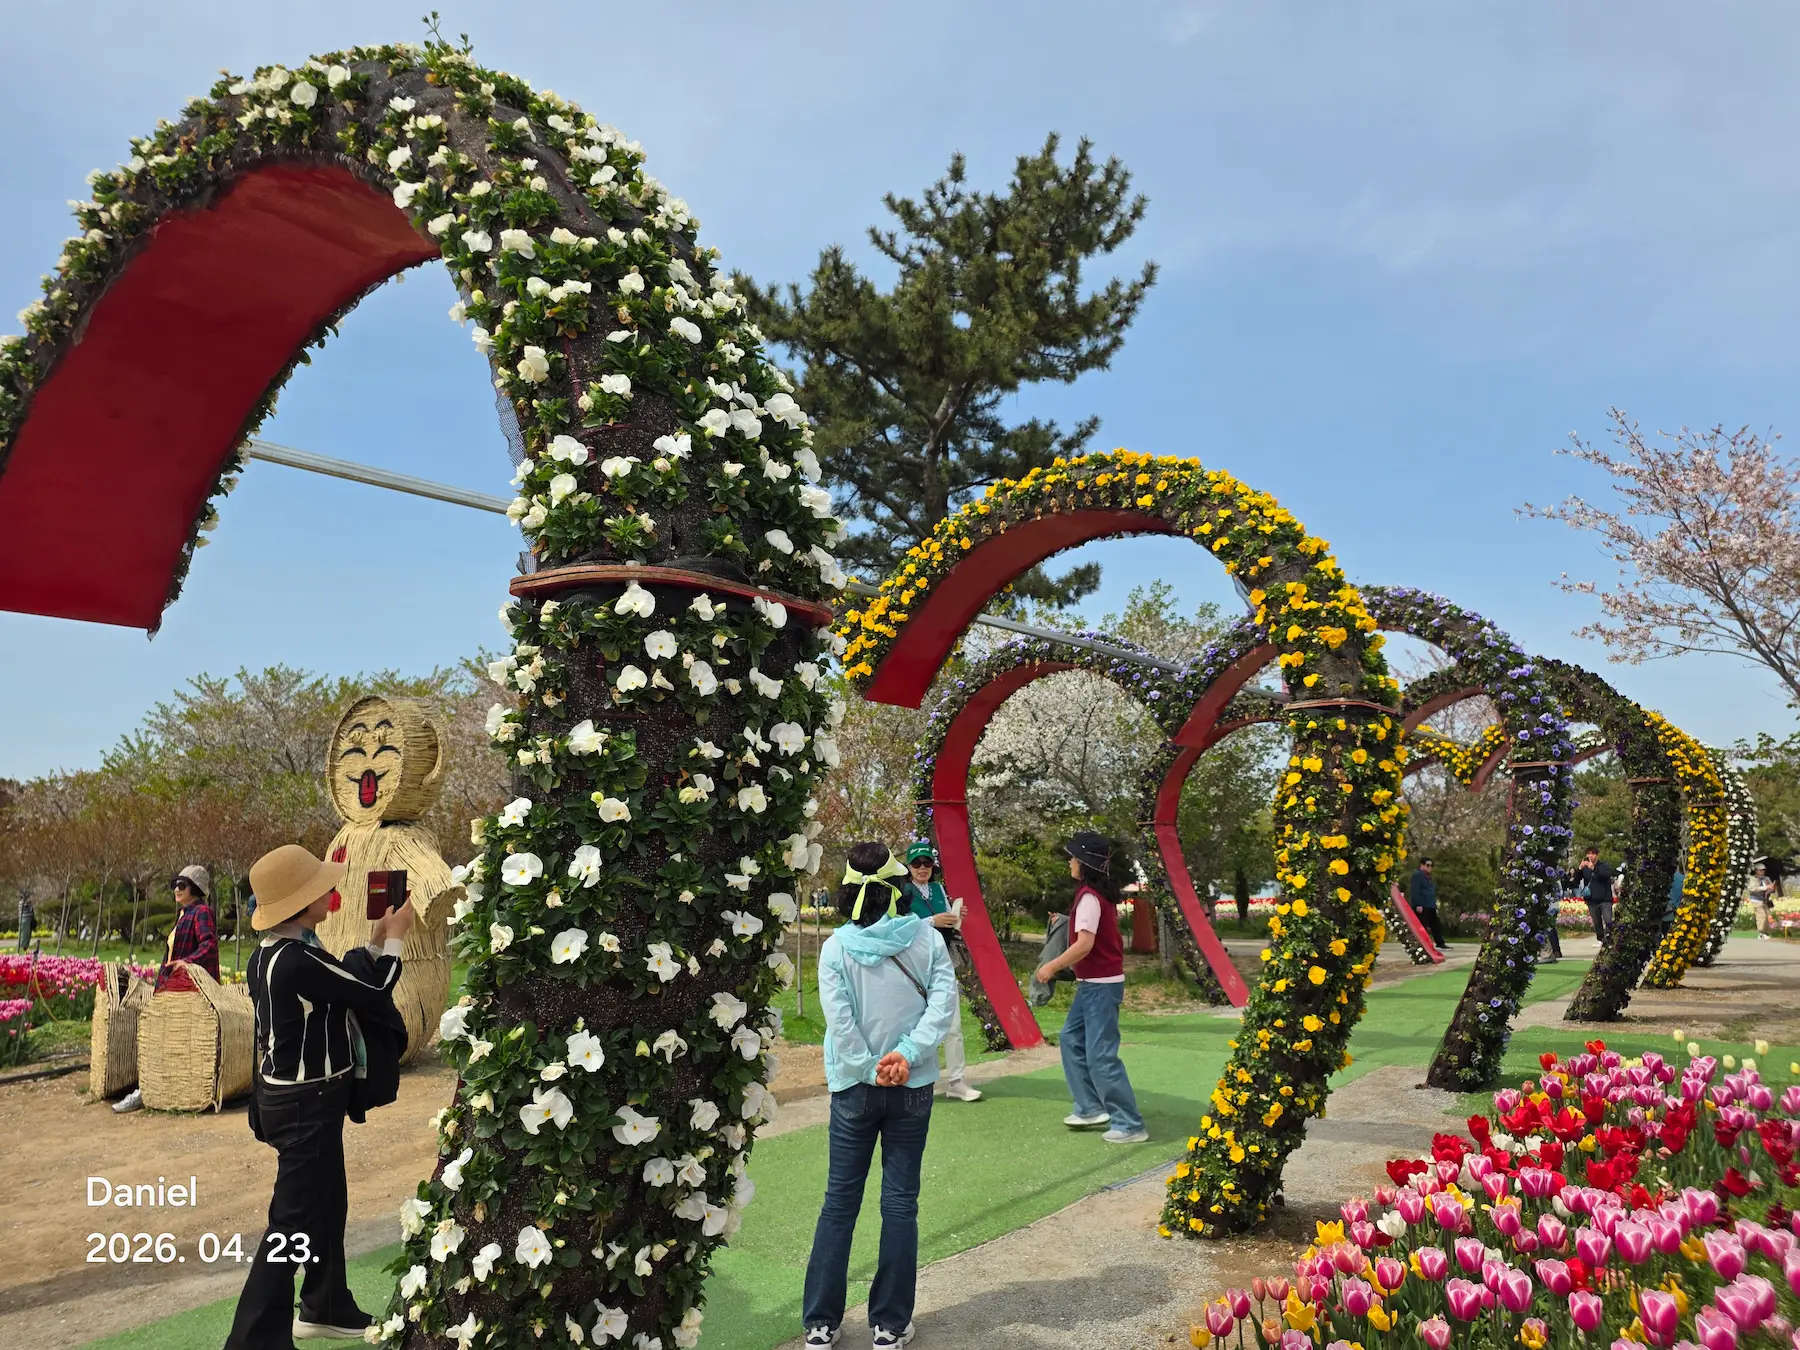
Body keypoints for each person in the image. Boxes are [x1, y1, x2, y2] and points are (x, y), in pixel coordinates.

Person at [223, 843, 412, 1349]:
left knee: (327, 1202)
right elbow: (372, 993)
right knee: (289, 1224)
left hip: (290, 1099)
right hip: (308, 1104)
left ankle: (325, 1305)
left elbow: (343, 983)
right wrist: (394, 942)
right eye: (322, 889)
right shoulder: (297, 960)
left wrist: (372, 945)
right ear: (301, 904)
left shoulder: (273, 954)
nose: (332, 894)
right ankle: (253, 1340)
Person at [803, 843, 957, 1350]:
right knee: (899, 1205)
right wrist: (906, 1055)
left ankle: (821, 1324)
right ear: (899, 888)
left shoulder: (835, 948)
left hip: (855, 1089)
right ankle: (889, 1325)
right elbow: (942, 1002)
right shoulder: (927, 939)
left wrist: (871, 1066)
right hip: (911, 1086)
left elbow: (839, 1020)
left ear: (848, 892)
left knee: (838, 1204)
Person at [1034, 831, 1147, 1145]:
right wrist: (1064, 920)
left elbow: (1084, 945)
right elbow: (1087, 931)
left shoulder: (1088, 897)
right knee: (1071, 1039)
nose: (1069, 861)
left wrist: (1051, 966)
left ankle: (1129, 1123)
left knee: (1101, 1056)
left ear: (1083, 862)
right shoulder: (1094, 895)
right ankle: (1089, 1107)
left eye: (1072, 857)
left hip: (1099, 988)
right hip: (1095, 986)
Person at [114, 865, 223, 1113]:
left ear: (194, 889)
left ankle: (148, 1091)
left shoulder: (202, 912)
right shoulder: (185, 914)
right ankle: (153, 1090)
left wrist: (186, 963)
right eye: (175, 884)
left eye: (181, 885)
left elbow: (209, 945)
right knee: (163, 1038)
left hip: (186, 990)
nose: (176, 889)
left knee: (165, 1038)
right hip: (172, 987)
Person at [896, 841, 981, 1103]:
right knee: (913, 1023)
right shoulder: (902, 891)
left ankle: (956, 1080)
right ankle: (913, 1079)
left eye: (927, 863)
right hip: (913, 965)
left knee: (952, 1023)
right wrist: (933, 920)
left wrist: (956, 916)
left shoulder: (937, 889)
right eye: (916, 863)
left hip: (941, 958)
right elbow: (898, 927)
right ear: (908, 867)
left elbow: (949, 925)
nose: (922, 868)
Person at [1575, 848, 1616, 944]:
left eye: (1593, 854)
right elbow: (1575, 881)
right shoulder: (1585, 868)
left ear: (1597, 855)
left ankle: (1610, 939)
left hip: (1605, 899)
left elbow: (1605, 875)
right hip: (1592, 900)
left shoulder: (1603, 865)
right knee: (1597, 923)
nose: (1590, 856)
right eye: (1588, 854)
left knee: (1608, 920)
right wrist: (1579, 869)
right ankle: (1602, 940)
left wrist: (1593, 868)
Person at [1407, 857, 1445, 948]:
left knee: (1435, 924)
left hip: (1430, 904)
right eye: (1427, 865)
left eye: (1431, 866)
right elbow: (1415, 891)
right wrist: (1418, 904)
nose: (1430, 868)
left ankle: (1440, 943)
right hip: (1422, 904)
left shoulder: (1428, 877)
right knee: (1422, 925)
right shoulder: (1417, 875)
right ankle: (1421, 944)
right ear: (1422, 865)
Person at [1749, 862, 1778, 940]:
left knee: (1768, 916)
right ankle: (1761, 933)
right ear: (1756, 870)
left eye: (1763, 870)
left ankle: (1765, 932)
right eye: (1760, 870)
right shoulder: (1752, 878)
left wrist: (1772, 888)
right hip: (1756, 899)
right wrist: (1765, 887)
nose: (1762, 872)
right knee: (1761, 916)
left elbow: (1770, 887)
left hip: (1765, 900)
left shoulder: (1766, 878)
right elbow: (1752, 889)